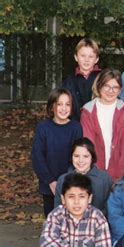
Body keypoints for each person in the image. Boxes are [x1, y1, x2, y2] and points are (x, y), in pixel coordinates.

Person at [31, 88, 83, 217]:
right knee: (52, 219)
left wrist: (67, 181)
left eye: (67, 104)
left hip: (70, 182)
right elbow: (37, 156)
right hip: (49, 184)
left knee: (71, 220)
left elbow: (78, 156)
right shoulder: (43, 128)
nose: (63, 108)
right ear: (52, 107)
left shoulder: (76, 127)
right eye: (59, 104)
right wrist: (50, 181)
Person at [80, 68, 124, 182]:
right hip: (93, 172)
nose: (111, 91)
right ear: (99, 86)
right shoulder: (88, 111)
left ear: (120, 90)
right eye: (106, 86)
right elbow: (88, 144)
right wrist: (94, 173)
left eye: (115, 87)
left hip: (120, 174)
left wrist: (120, 175)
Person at [54, 137, 112, 214]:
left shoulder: (104, 178)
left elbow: (109, 208)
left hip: (98, 223)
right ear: (71, 157)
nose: (81, 160)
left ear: (92, 157)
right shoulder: (63, 179)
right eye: (76, 156)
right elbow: (58, 209)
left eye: (86, 156)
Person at [62, 38, 101, 122]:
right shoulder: (69, 81)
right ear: (76, 57)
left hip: (98, 125)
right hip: (75, 125)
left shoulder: (103, 79)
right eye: (83, 56)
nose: (86, 60)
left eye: (91, 56)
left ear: (96, 59)